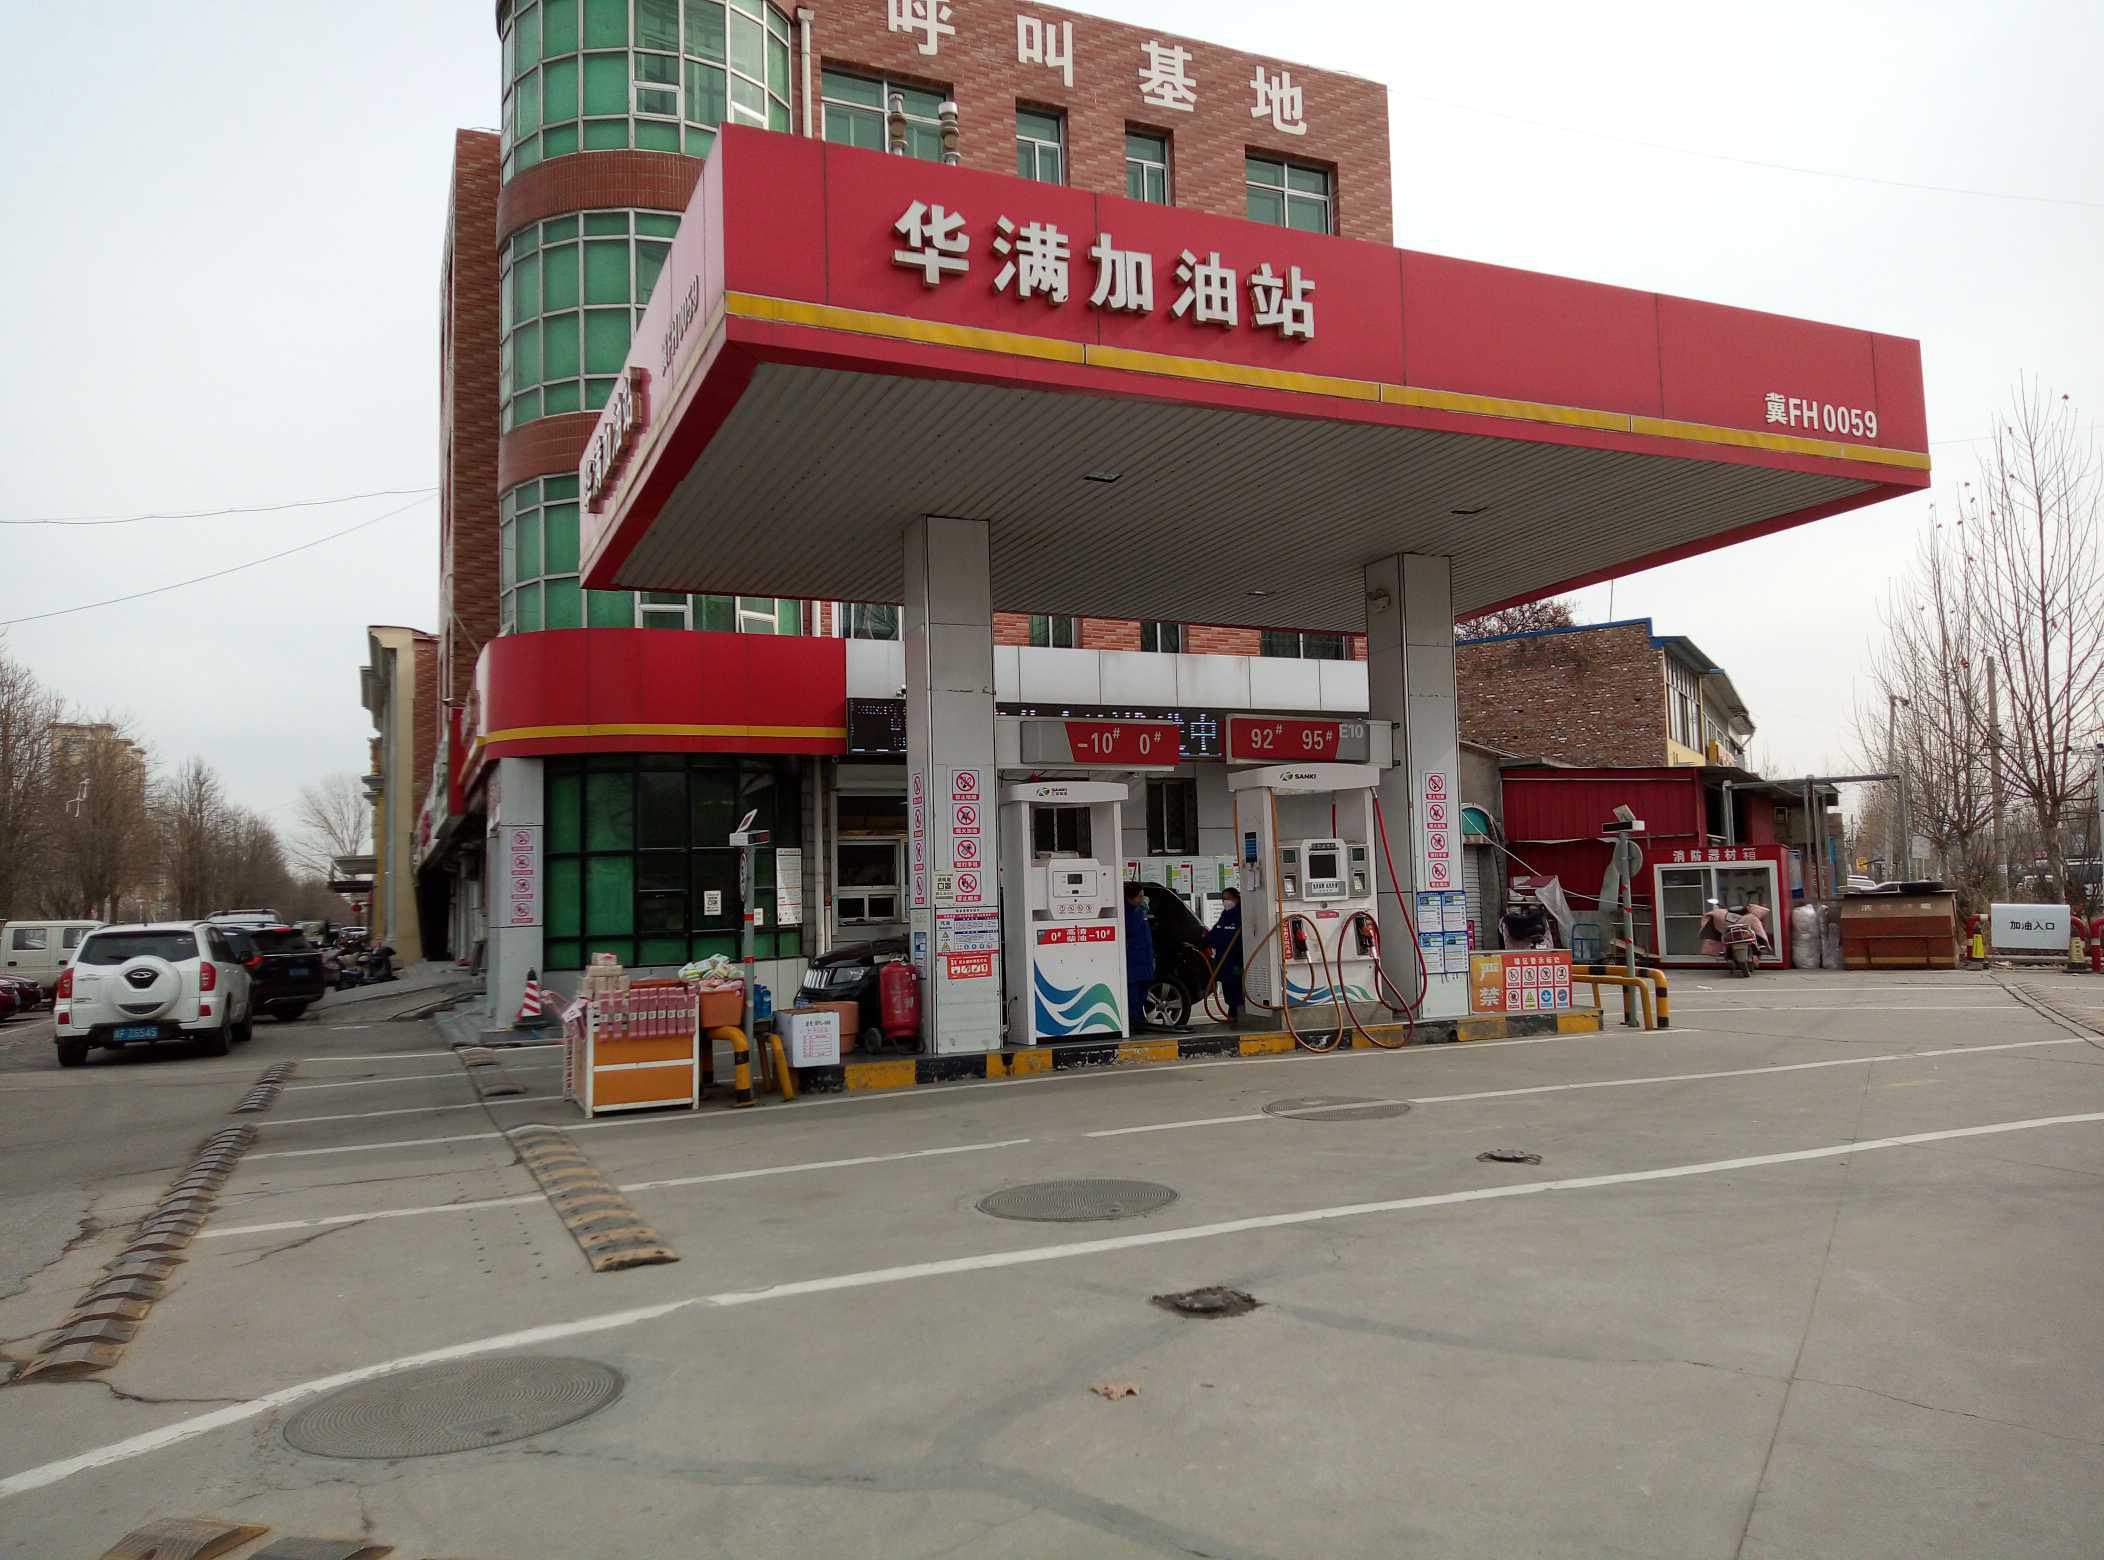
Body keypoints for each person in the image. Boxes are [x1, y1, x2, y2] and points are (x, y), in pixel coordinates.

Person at [1205, 887, 1245, 1027]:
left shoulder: (1241, 916)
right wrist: (1205, 940)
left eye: (1228, 898)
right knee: (1227, 989)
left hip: (1236, 962)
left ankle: (1238, 1015)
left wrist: (1240, 964)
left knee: (1237, 990)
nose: (1225, 901)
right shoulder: (1225, 915)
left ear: (1237, 898)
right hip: (1223, 961)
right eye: (1223, 898)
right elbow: (1215, 934)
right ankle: (1232, 1014)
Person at [1124, 881, 1156, 1032]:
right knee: (1133, 995)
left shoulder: (1140, 911)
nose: (1143, 899)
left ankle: (1140, 1020)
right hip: (1133, 961)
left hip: (1145, 959)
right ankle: (1134, 1022)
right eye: (1140, 896)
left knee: (1142, 993)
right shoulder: (1128, 912)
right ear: (1130, 897)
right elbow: (1131, 929)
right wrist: (1141, 911)